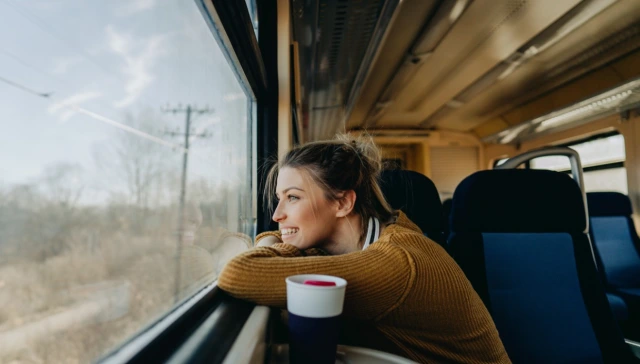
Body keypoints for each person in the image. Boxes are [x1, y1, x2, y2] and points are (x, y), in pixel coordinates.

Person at [218, 135, 510, 363]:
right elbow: (275, 237)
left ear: (343, 203)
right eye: (280, 198)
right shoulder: (362, 242)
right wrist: (278, 240)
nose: (277, 214)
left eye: (293, 198)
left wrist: (274, 244)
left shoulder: (397, 262)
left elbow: (239, 273)